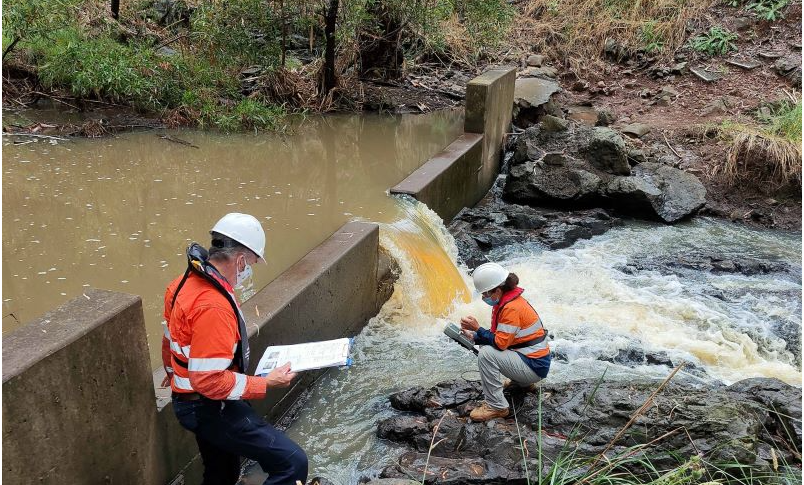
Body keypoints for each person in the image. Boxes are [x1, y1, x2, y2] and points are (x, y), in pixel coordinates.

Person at [161, 213, 308, 485]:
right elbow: (209, 381)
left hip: (187, 399)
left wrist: (174, 371)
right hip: (208, 407)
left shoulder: (182, 283)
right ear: (240, 260)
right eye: (251, 263)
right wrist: (265, 383)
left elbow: (170, 338)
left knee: (221, 472)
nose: (249, 270)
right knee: (292, 462)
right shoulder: (213, 306)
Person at [460, 262, 551, 422]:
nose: (483, 298)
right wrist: (474, 336)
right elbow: (500, 337)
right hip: (534, 361)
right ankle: (522, 383)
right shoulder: (509, 302)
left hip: (534, 367)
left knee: (487, 353)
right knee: (485, 345)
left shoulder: (511, 308)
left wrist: (477, 328)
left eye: (486, 294)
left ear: (498, 290)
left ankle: (497, 406)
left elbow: (500, 343)